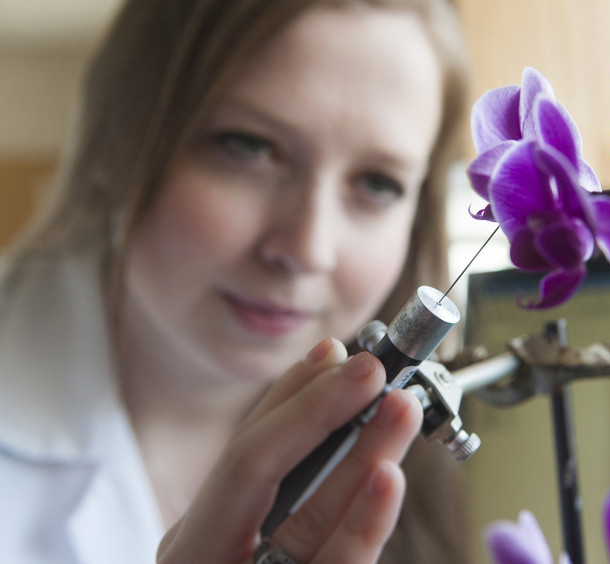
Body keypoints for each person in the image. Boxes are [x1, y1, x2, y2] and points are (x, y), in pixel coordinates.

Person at [0, 0, 472, 562]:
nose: (307, 250)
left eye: (377, 183)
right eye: (249, 147)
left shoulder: (426, 475)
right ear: (117, 140)